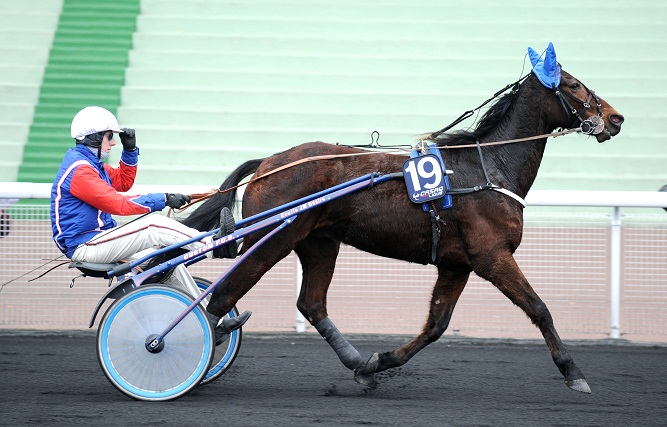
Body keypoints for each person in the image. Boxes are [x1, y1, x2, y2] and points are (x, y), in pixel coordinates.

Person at [50, 106, 249, 340]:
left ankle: (211, 321)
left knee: (167, 260)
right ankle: (213, 245)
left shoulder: (92, 166)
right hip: (85, 246)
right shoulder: (80, 171)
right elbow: (118, 204)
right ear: (93, 138)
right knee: (153, 225)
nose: (113, 142)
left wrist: (130, 150)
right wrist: (163, 199)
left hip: (98, 240)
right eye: (109, 136)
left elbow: (123, 182)